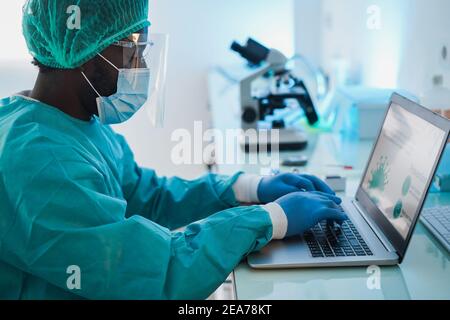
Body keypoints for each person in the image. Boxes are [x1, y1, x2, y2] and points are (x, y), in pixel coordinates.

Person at [0, 0, 347, 300]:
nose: (142, 68)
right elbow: (153, 272)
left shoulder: (72, 122)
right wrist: (272, 219)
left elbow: (149, 198)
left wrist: (247, 188)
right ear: (87, 56)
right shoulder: (41, 162)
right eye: (132, 51)